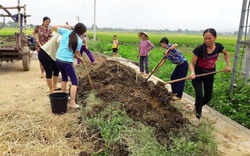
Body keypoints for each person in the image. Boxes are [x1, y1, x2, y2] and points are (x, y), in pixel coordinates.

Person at [189, 28, 231, 119]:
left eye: (210, 38)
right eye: (205, 38)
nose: (207, 41)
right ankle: (198, 115)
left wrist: (228, 66)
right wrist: (192, 73)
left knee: (208, 97)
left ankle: (197, 106)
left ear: (215, 38)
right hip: (197, 76)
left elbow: (226, 54)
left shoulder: (219, 46)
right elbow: (192, 63)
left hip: (209, 75)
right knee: (199, 96)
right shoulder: (200, 49)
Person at [52, 23, 87, 109]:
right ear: (81, 33)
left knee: (64, 78)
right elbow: (75, 55)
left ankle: (63, 98)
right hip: (67, 61)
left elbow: (53, 26)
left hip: (58, 59)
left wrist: (65, 26)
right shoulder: (79, 41)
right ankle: (72, 102)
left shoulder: (66, 31)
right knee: (75, 81)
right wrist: (80, 58)